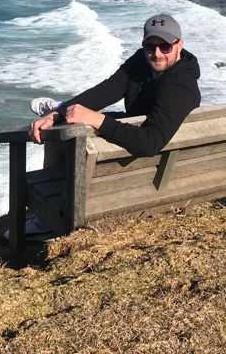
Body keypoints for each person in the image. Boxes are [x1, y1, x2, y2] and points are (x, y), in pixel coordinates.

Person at [16, 13, 201, 240]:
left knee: (62, 137)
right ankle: (60, 107)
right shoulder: (142, 63)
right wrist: (58, 114)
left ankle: (48, 218)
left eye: (165, 47)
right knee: (67, 122)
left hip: (144, 168)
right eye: (150, 47)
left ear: (179, 45)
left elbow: (150, 142)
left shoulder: (179, 87)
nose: (157, 53)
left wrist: (97, 120)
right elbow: (106, 90)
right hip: (149, 156)